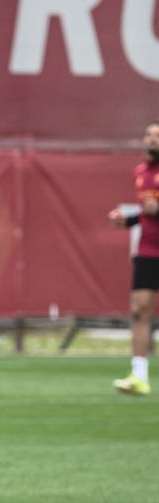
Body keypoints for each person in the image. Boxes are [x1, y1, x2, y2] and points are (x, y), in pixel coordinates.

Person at [109, 120, 159, 396]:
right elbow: (145, 213)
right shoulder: (140, 172)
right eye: (149, 135)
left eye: (157, 136)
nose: (152, 140)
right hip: (149, 251)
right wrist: (126, 221)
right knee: (139, 311)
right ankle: (139, 376)